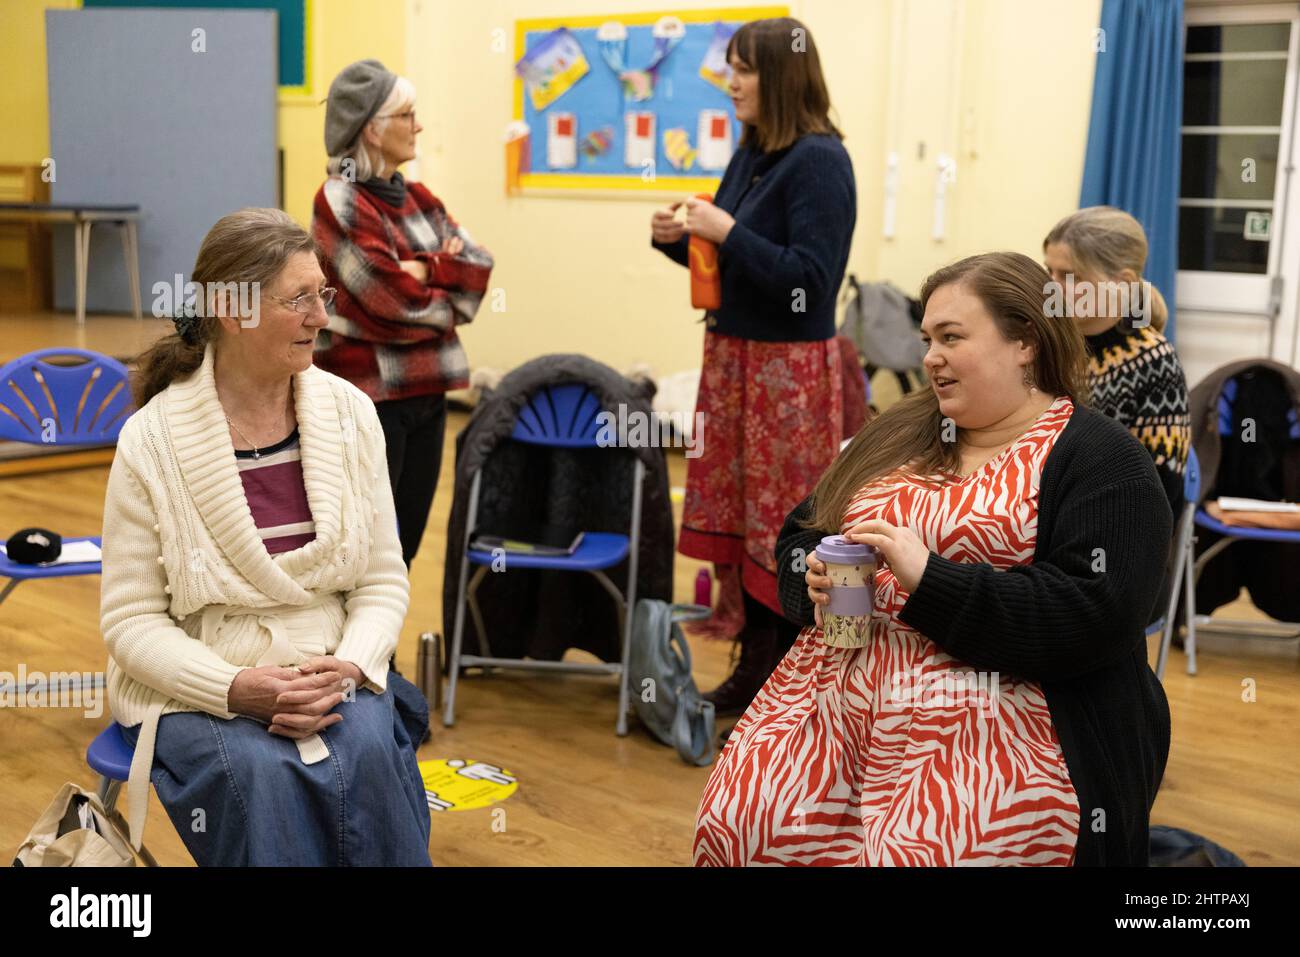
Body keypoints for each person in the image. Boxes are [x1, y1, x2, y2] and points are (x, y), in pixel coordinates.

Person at [694, 252, 1172, 866]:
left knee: (929, 849)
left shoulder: (1101, 460)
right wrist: (809, 578)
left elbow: (1096, 614)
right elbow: (797, 536)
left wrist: (930, 580)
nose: (929, 357)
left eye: (951, 337)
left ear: (1025, 342)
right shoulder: (901, 430)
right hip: (832, 716)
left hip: (999, 728)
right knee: (741, 825)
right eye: (927, 339)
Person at [104, 208, 432, 866]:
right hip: (202, 672)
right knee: (262, 771)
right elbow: (132, 620)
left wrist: (355, 663)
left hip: (331, 661)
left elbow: (381, 579)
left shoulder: (351, 414)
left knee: (366, 750)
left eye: (324, 295)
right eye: (299, 299)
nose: (322, 316)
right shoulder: (152, 440)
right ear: (232, 309)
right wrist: (234, 689)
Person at [650, 17, 856, 717]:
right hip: (733, 360)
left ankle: (779, 671)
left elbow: (811, 281)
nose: (730, 82)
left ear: (784, 76)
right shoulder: (754, 151)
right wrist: (678, 243)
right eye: (729, 67)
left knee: (781, 523)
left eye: (743, 69)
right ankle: (754, 662)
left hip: (786, 374)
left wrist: (725, 229)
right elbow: (736, 263)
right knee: (739, 516)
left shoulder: (821, 160)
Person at [314, 59, 494, 567]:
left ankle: (384, 647)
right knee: (368, 548)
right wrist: (443, 272)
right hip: (372, 399)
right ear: (372, 129)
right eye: (407, 115)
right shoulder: (339, 200)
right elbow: (390, 302)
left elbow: (479, 267)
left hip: (427, 391)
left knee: (405, 545)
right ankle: (360, 650)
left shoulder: (417, 196)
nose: (419, 126)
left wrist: (422, 268)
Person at [1043, 206, 1190, 512]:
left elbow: (1159, 493)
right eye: (1049, 273)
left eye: (1070, 277)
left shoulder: (1154, 361)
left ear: (1122, 283)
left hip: (1106, 526)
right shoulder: (1043, 347)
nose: (1051, 289)